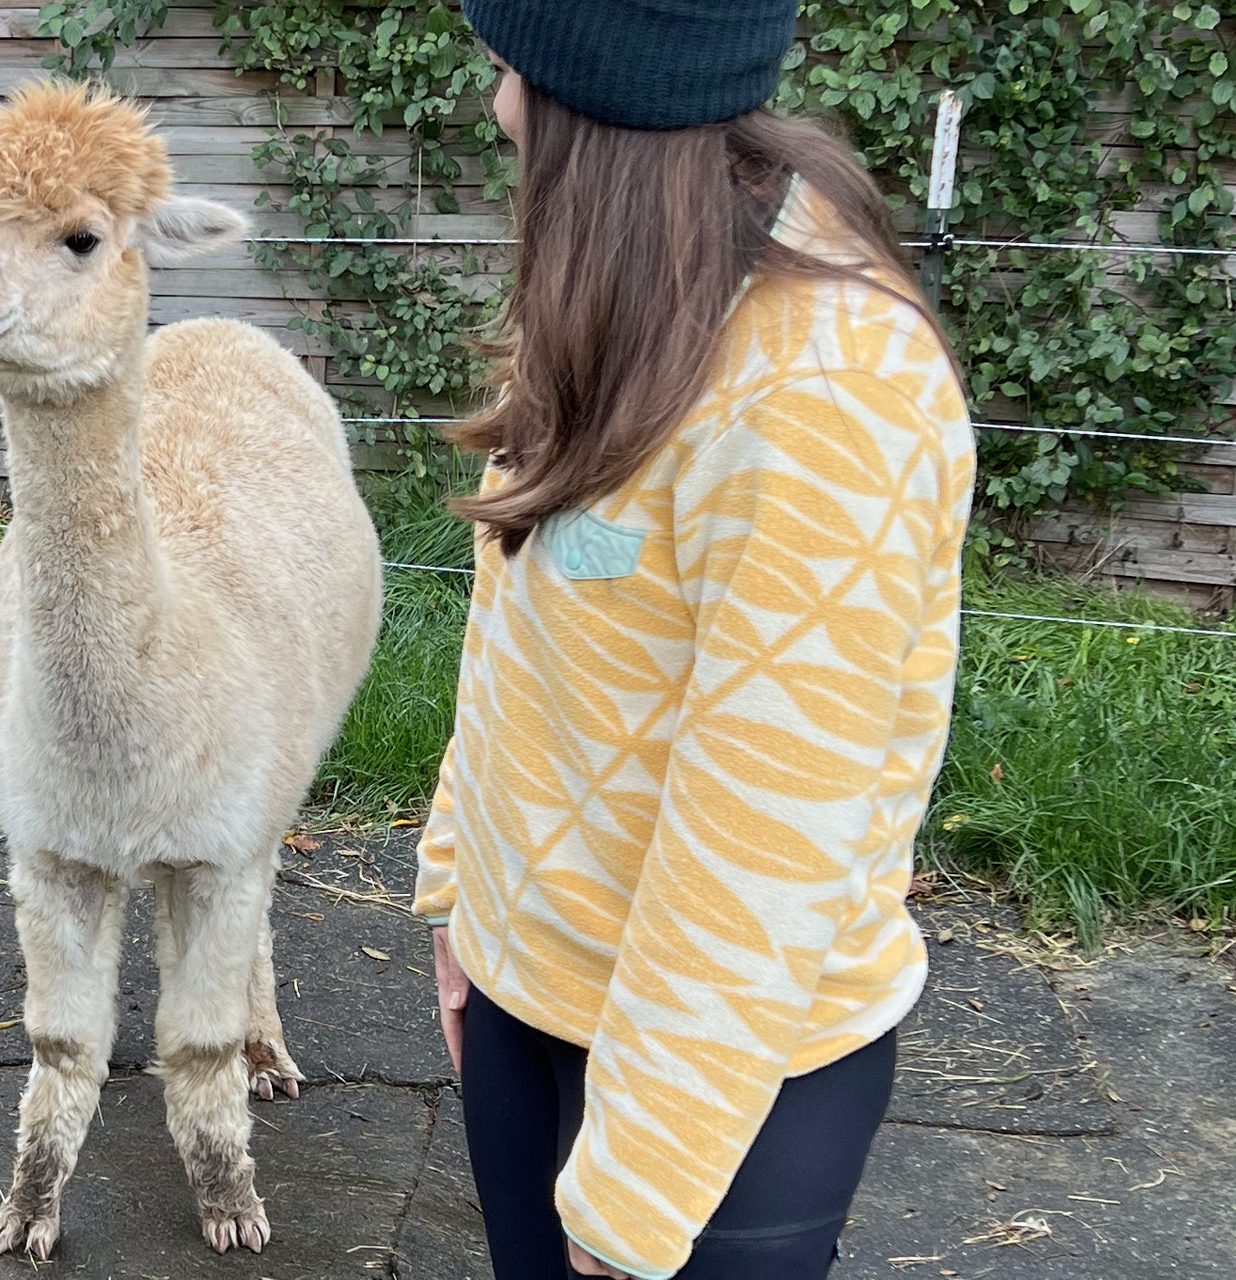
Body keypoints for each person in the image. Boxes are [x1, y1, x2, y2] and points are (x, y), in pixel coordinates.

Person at [413, 2, 975, 1277]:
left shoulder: (832, 390)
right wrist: (462, 894)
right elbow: (525, 618)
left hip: (723, 1091)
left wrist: (637, 1179)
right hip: (522, 986)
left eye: (507, 65)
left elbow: (768, 827)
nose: (495, 102)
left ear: (595, 86)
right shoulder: (626, 283)